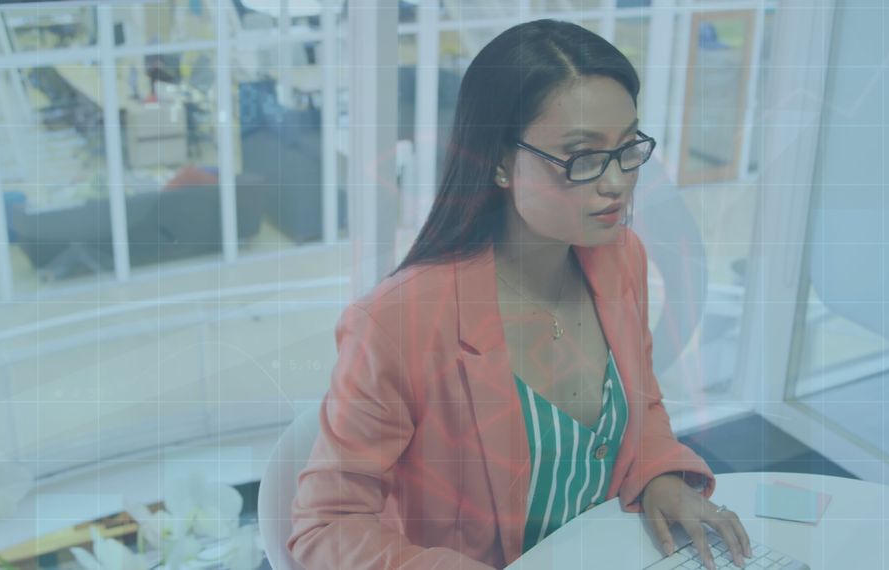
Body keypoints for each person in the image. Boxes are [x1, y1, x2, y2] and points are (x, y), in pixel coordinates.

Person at [287, 19, 752, 570]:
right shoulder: (398, 323)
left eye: (628, 147)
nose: (618, 182)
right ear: (501, 162)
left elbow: (641, 403)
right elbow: (325, 529)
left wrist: (662, 474)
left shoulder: (620, 259)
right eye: (583, 157)